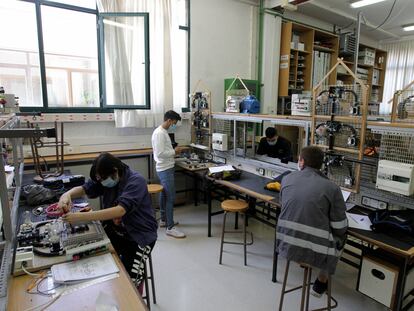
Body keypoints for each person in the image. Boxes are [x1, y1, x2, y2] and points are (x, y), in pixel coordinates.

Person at [58, 153, 157, 293]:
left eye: (103, 178)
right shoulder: (106, 178)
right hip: (117, 231)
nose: (102, 181)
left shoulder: (136, 181)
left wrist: (81, 217)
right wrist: (66, 195)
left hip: (139, 236)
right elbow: (85, 188)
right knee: (93, 257)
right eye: (99, 179)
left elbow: (120, 210)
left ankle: (134, 299)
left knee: (130, 280)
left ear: (115, 171)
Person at [276, 146, 347, 297]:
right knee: (341, 238)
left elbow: (284, 206)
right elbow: (339, 227)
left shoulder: (287, 179)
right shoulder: (332, 188)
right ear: (320, 165)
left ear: (301, 161)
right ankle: (322, 280)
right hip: (314, 250)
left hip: (285, 242)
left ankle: (302, 260)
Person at [152, 110, 186, 238]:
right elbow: (160, 154)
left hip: (165, 167)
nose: (174, 125)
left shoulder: (161, 132)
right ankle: (170, 228)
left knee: (164, 196)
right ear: (169, 120)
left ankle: (164, 220)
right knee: (170, 197)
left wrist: (172, 151)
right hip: (165, 169)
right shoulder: (160, 133)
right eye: (174, 123)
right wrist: (174, 151)